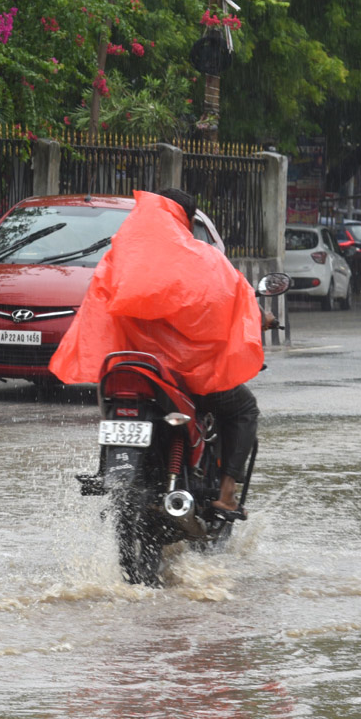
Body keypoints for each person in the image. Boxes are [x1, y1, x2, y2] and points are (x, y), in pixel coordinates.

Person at [49, 187, 271, 516]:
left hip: (132, 371)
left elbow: (98, 308)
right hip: (186, 376)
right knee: (244, 408)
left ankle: (106, 471)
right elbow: (231, 300)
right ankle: (226, 495)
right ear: (188, 220)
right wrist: (262, 317)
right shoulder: (205, 259)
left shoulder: (120, 256)